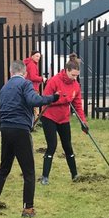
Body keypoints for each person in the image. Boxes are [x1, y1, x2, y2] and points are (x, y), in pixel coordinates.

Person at [0, 60, 58, 218]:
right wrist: (52, 98)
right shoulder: (25, 84)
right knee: (29, 172)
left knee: (4, 168)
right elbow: (34, 100)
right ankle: (28, 209)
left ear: (11, 73)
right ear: (24, 73)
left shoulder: (3, 89)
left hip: (5, 130)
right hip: (20, 130)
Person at [39, 54, 87, 185]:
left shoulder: (75, 85)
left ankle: (74, 174)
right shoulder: (54, 81)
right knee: (52, 145)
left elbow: (77, 105)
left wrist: (83, 122)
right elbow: (45, 99)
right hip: (49, 117)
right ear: (66, 70)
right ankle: (45, 176)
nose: (75, 78)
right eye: (73, 75)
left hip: (64, 118)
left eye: (77, 75)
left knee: (68, 146)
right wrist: (61, 99)